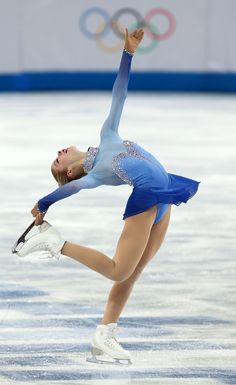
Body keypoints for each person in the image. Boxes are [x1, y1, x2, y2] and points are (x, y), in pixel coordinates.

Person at [17, 28, 200, 364]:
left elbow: (120, 94)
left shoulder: (107, 134)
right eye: (58, 160)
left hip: (165, 196)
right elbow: (69, 189)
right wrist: (43, 204)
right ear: (70, 171)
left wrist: (128, 53)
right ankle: (57, 244)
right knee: (118, 271)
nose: (60, 151)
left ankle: (105, 334)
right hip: (147, 199)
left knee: (133, 272)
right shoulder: (97, 173)